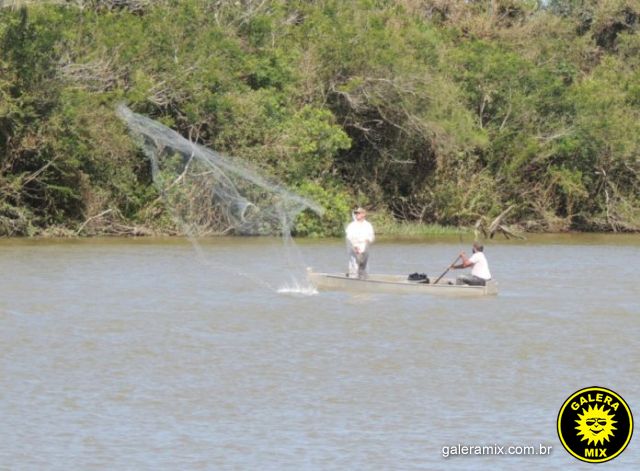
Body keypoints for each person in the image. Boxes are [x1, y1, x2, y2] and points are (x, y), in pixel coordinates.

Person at [345, 207, 375, 279]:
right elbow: (349, 237)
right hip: (354, 248)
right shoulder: (352, 225)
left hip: (364, 247)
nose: (357, 214)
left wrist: (368, 240)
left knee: (364, 266)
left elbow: (371, 236)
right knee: (354, 265)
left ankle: (363, 279)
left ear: (363, 214)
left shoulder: (368, 225)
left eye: (358, 213)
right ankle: (353, 279)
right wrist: (355, 247)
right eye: (356, 213)